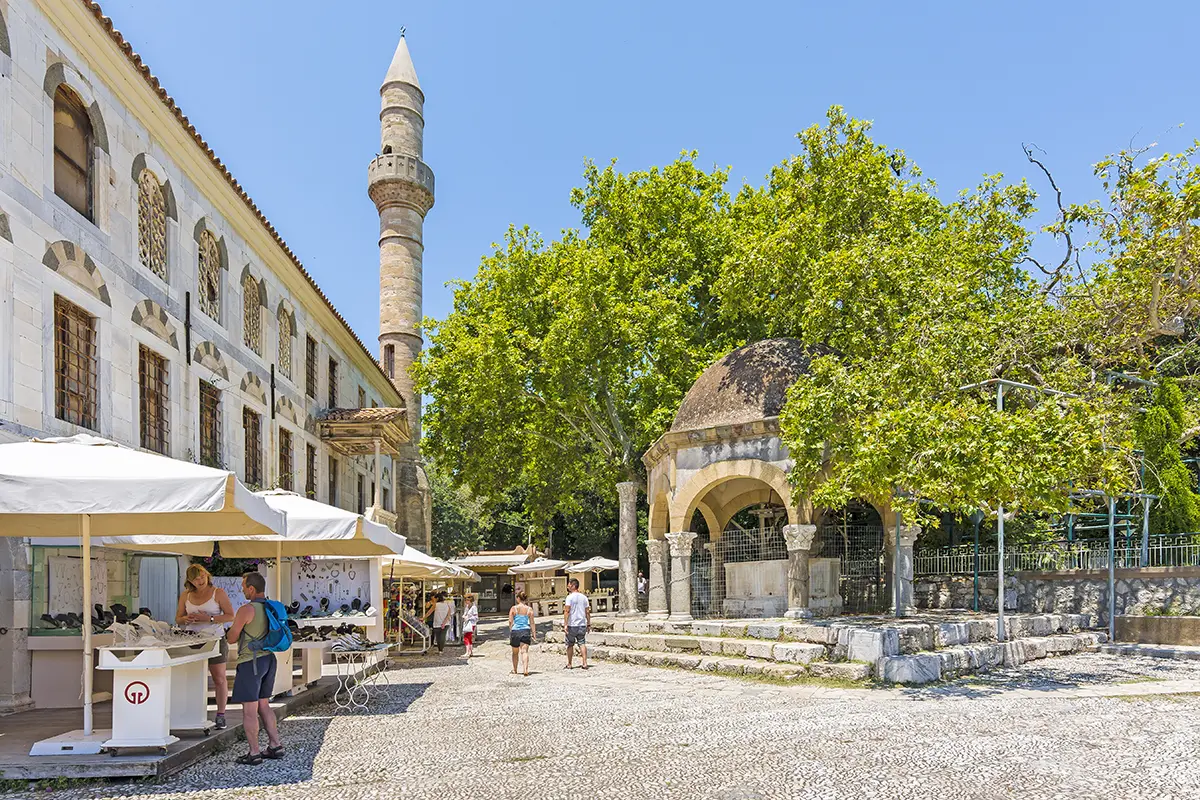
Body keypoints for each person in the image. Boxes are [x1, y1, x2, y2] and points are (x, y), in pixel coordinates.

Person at [227, 572, 284, 765]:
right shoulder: (271, 607)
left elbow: (232, 638)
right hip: (269, 659)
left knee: (249, 710)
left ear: (251, 588)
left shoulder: (247, 610)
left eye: (244, 587)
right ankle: (275, 745)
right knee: (264, 705)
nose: (242, 590)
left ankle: (254, 752)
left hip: (250, 662)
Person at [175, 564, 234, 730]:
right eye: (195, 579)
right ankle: (190, 711)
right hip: (192, 639)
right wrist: (186, 619)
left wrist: (209, 619)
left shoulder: (218, 593)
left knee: (219, 678)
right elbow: (178, 618)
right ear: (189, 581)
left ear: (207, 575)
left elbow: (230, 616)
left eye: (202, 577)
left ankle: (221, 714)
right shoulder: (186, 595)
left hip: (215, 639)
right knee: (191, 677)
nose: (200, 581)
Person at [563, 578, 591, 670]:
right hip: (582, 624)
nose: (567, 587)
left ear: (573, 586)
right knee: (582, 643)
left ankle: (569, 664)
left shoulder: (569, 597)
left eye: (569, 585)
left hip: (572, 624)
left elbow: (567, 611)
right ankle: (585, 663)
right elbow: (587, 612)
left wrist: (565, 624)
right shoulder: (584, 597)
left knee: (570, 644)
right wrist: (588, 624)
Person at [508, 591, 536, 676]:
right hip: (525, 631)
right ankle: (525, 669)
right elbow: (532, 622)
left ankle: (515, 670)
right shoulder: (529, 609)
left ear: (518, 598)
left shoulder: (514, 608)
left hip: (515, 631)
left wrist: (511, 630)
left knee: (515, 652)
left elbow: (510, 621)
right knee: (524, 652)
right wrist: (534, 633)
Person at [462, 593, 479, 658]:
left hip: (471, 624)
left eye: (467, 600)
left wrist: (468, 618)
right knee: (468, 638)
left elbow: (476, 617)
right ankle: (470, 651)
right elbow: (465, 614)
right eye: (465, 600)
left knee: (466, 637)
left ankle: (468, 652)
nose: (466, 601)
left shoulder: (473, 607)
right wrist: (464, 616)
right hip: (467, 623)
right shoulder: (467, 607)